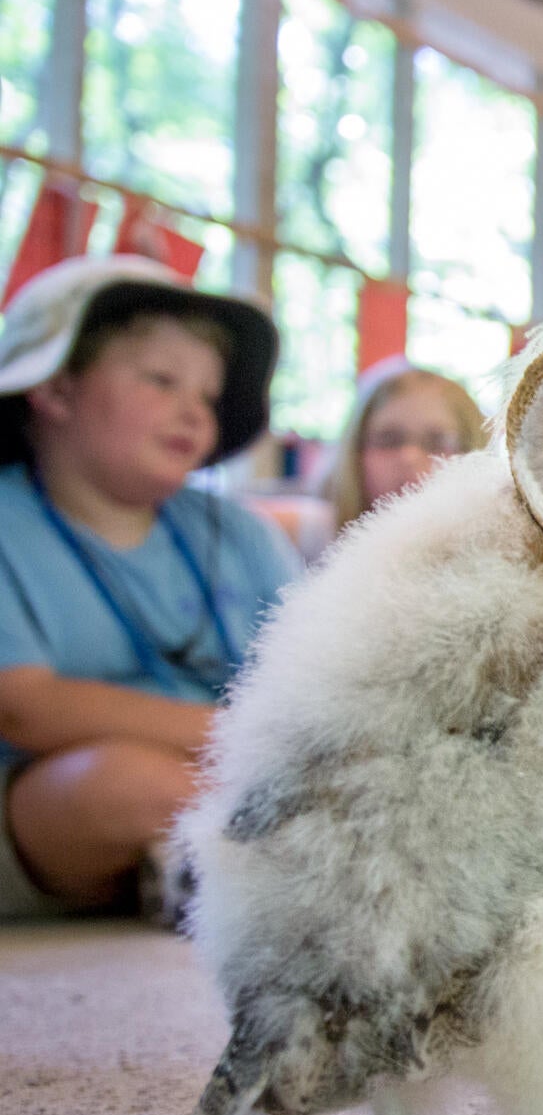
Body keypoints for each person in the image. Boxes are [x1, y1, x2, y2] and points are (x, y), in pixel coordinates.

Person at [0, 255, 295, 920]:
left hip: (250, 777)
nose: (191, 412)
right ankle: (257, 871)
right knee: (121, 784)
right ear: (53, 389)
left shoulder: (243, 536)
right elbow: (24, 707)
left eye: (208, 398)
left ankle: (214, 871)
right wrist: (235, 739)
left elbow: (309, 683)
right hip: (46, 801)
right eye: (162, 380)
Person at [311, 358, 487, 555]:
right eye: (388, 440)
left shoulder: (494, 550)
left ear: (473, 452)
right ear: (356, 451)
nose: (408, 457)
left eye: (437, 442)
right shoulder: (312, 533)